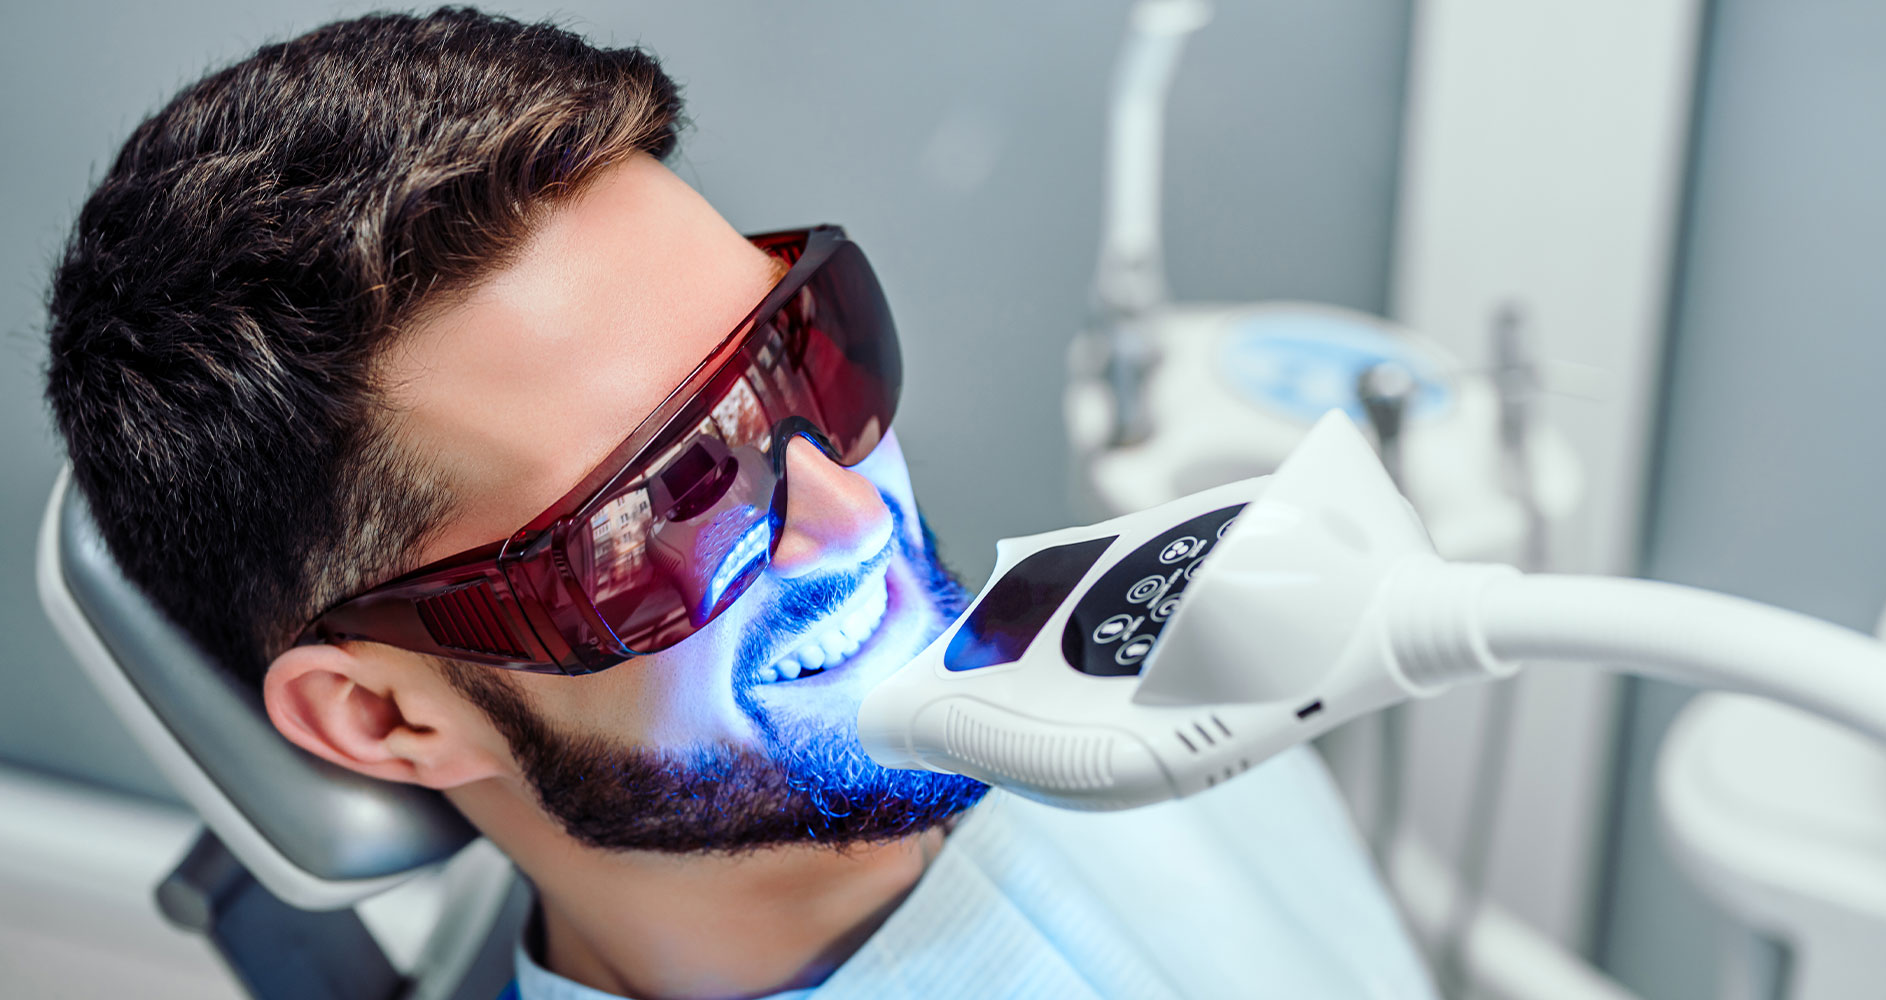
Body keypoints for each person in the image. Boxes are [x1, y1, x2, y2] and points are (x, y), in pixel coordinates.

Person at [44, 9, 1435, 999]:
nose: (856, 519)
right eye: (667, 501)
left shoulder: (1153, 656)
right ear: (387, 718)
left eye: (801, 356)